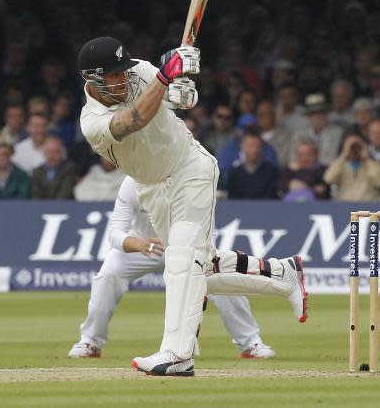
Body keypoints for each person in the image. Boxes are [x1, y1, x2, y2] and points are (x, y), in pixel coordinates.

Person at [77, 36, 307, 376]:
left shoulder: (139, 71)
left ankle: (178, 355)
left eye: (124, 72)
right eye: (114, 76)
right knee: (201, 268)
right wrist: (166, 79)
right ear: (93, 80)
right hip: (152, 189)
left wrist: (183, 89)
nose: (124, 79)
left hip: (190, 168)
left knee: (183, 261)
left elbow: (178, 97)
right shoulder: (91, 121)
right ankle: (282, 273)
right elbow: (132, 121)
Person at [69, 177, 276, 360]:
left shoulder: (193, 181)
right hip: (144, 246)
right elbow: (115, 233)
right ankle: (90, 342)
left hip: (187, 246)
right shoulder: (132, 183)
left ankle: (250, 343)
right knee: (108, 276)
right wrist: (140, 244)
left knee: (223, 280)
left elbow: (206, 233)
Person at [324, 131, 380, 201]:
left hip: (368, 207)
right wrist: (343, 155)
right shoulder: (340, 164)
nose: (354, 149)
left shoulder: (373, 164)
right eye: (351, 146)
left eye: (357, 146)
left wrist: (367, 159)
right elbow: (328, 179)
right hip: (345, 207)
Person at [226, 131, 279, 199]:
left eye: (258, 146)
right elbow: (232, 199)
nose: (255, 150)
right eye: (251, 146)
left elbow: (272, 197)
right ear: (242, 147)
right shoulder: (234, 173)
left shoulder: (272, 171)